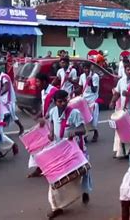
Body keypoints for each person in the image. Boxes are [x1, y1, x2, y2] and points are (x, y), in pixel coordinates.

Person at [42, 90, 92, 219]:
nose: (63, 103)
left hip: (74, 150)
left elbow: (82, 129)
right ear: (55, 102)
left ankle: (84, 191)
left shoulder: (74, 113)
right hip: (59, 150)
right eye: (60, 101)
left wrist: (74, 131)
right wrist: (51, 133)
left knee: (81, 175)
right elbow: (52, 123)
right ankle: (56, 207)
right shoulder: (53, 111)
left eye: (65, 100)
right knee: (55, 180)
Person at [26, 73, 58, 178]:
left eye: (38, 82)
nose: (36, 84)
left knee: (49, 147)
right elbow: (44, 107)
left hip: (53, 123)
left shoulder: (54, 91)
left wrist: (44, 118)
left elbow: (54, 108)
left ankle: (48, 169)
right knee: (38, 146)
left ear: (44, 82)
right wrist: (38, 115)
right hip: (46, 122)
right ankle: (40, 168)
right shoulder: (43, 91)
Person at [0, 66, 24, 134]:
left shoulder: (4, 77)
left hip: (8, 101)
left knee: (12, 116)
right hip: (3, 101)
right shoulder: (0, 78)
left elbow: (6, 87)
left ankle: (21, 127)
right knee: (1, 115)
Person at [78, 62, 100, 142]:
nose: (86, 70)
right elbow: (80, 87)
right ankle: (85, 135)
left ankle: (95, 133)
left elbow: (94, 90)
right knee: (84, 119)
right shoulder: (82, 76)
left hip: (93, 100)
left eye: (87, 68)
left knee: (93, 120)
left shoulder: (95, 76)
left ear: (90, 68)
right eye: (84, 68)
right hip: (84, 101)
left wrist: (90, 82)